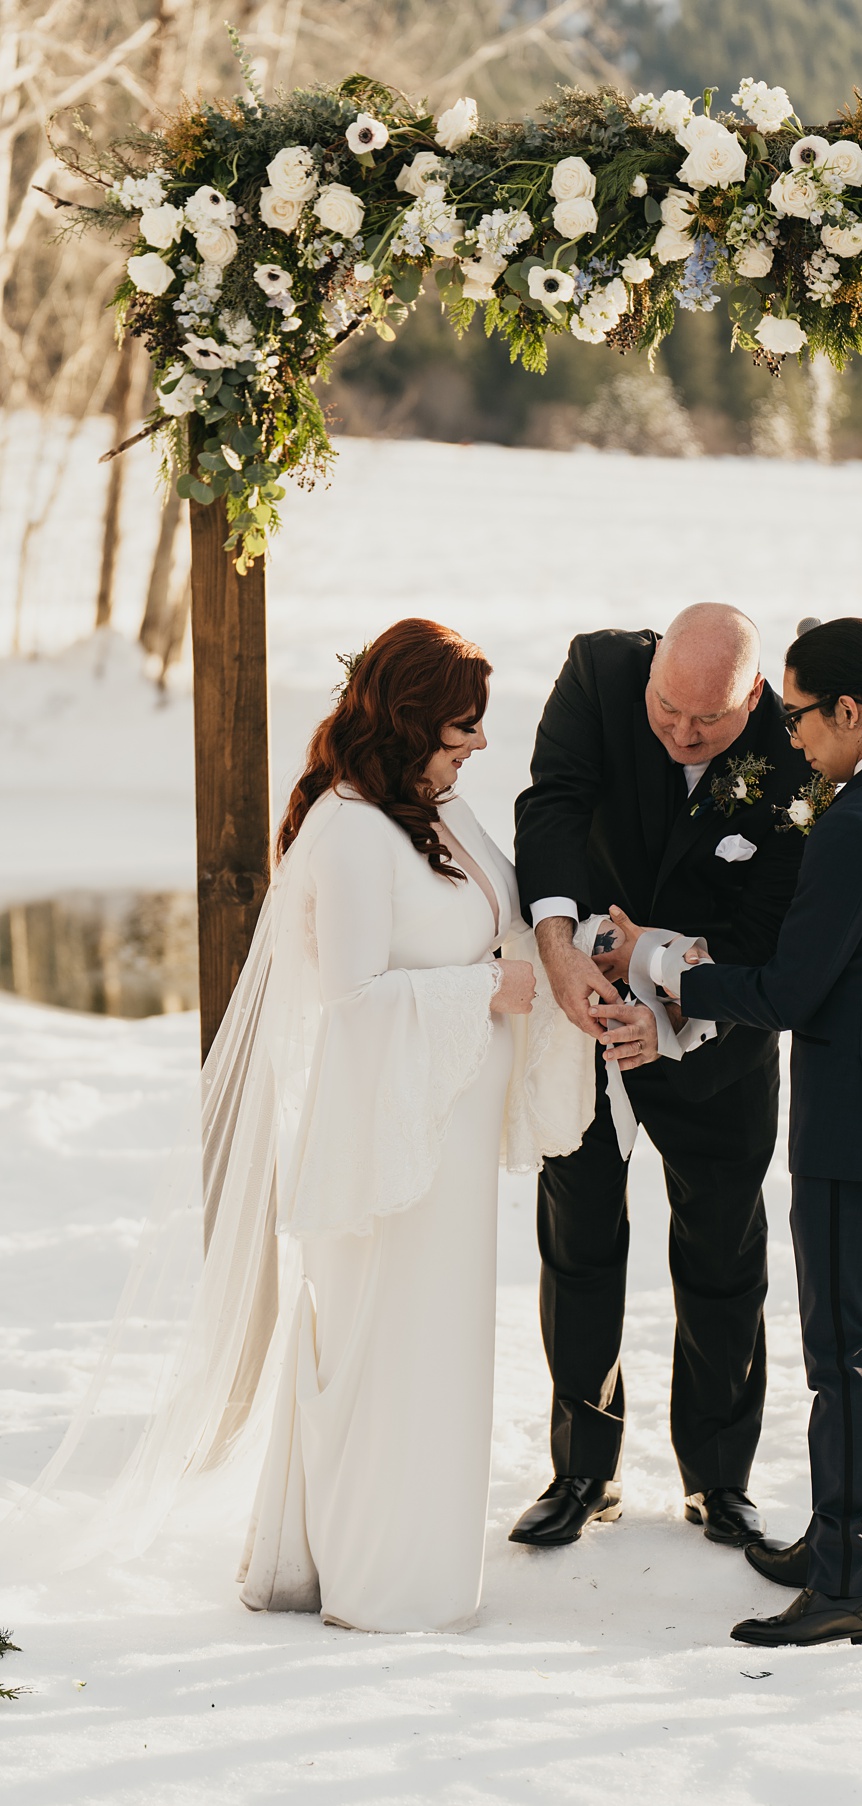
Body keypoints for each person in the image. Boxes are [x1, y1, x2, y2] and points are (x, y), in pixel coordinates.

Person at [657, 616, 862, 1648]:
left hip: (851, 1123)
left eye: (796, 713)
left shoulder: (853, 822)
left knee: (843, 1357)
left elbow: (793, 991)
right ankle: (842, 1532)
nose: (787, 733)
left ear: (849, 712)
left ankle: (853, 1580)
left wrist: (667, 970)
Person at [235, 619, 536, 1632]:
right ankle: (383, 1584)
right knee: (393, 1349)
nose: (480, 746)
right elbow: (355, 998)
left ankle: (416, 1560)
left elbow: (501, 911)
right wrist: (487, 990)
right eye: (463, 728)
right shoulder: (354, 830)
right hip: (388, 1148)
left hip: (442, 1136)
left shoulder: (430, 807)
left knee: (440, 1344)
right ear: (409, 721)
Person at [509, 604, 813, 1550]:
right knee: (580, 1238)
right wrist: (557, 949)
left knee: (723, 1253)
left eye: (708, 722)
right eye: (667, 710)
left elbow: (776, 924)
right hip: (581, 1016)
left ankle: (719, 1481)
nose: (682, 734)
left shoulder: (796, 748)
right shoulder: (599, 674)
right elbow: (551, 801)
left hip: (720, 1039)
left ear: (753, 696)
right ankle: (582, 1473)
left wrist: (675, 1008)